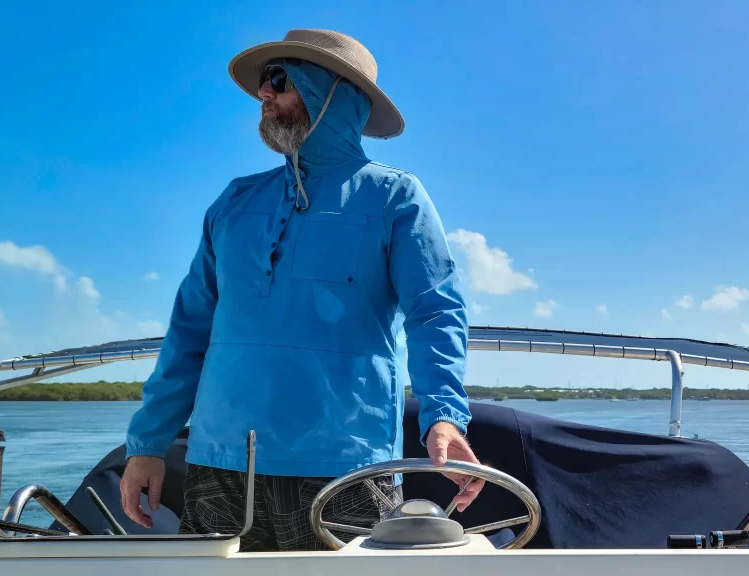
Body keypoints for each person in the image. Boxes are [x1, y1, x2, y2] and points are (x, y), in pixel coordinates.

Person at [119, 29, 482, 551]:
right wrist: (149, 442)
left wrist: (443, 414)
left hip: (344, 468)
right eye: (264, 84)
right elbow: (189, 331)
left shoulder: (396, 195)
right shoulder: (234, 202)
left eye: (279, 80)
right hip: (219, 468)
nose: (263, 95)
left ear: (332, 92)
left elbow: (434, 312)